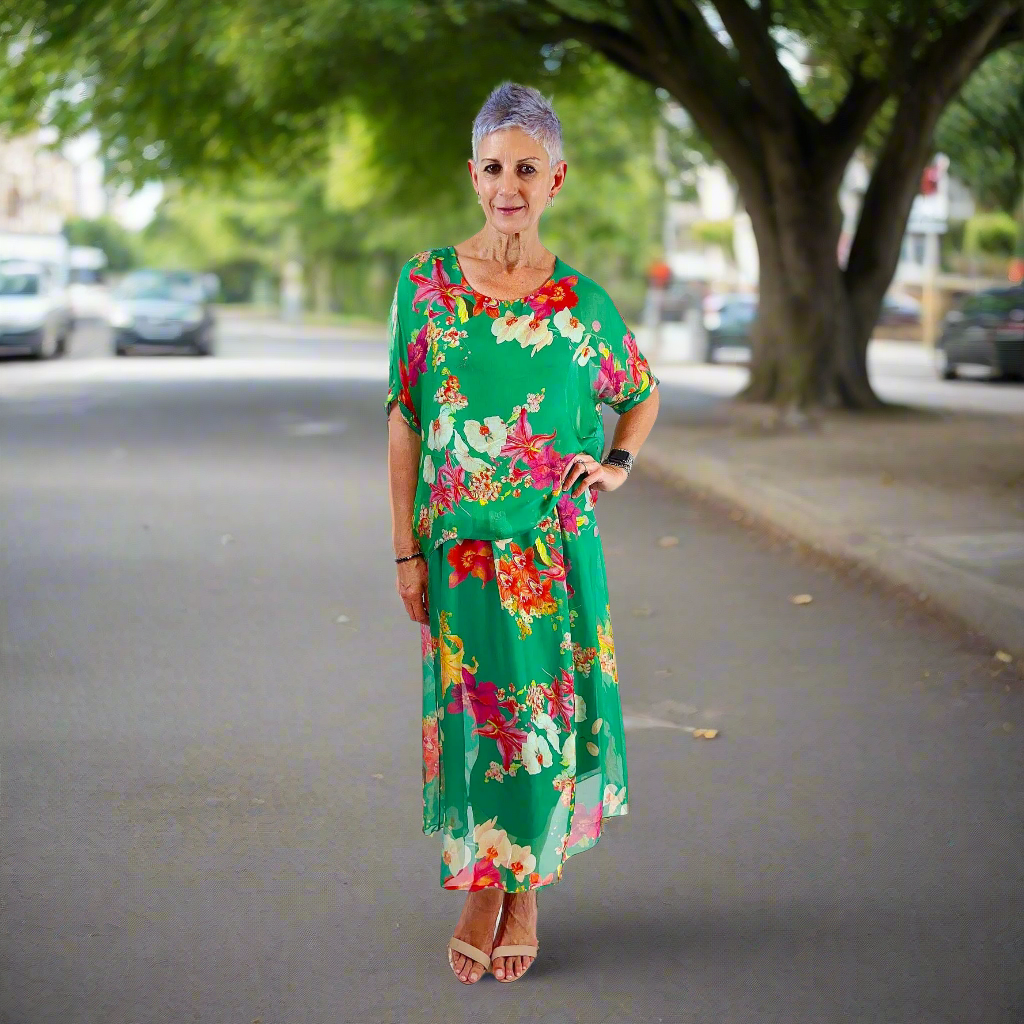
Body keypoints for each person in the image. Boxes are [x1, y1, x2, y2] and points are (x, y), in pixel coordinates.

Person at [385, 82, 660, 985]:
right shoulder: (425, 286)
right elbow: (405, 420)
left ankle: (522, 890)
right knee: (477, 720)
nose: (510, 185)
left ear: (556, 180)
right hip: (460, 555)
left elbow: (641, 392)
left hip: (555, 553)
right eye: (495, 167)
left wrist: (616, 465)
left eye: (527, 169)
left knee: (541, 722)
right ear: (473, 176)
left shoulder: (583, 303)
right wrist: (405, 551)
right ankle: (485, 882)